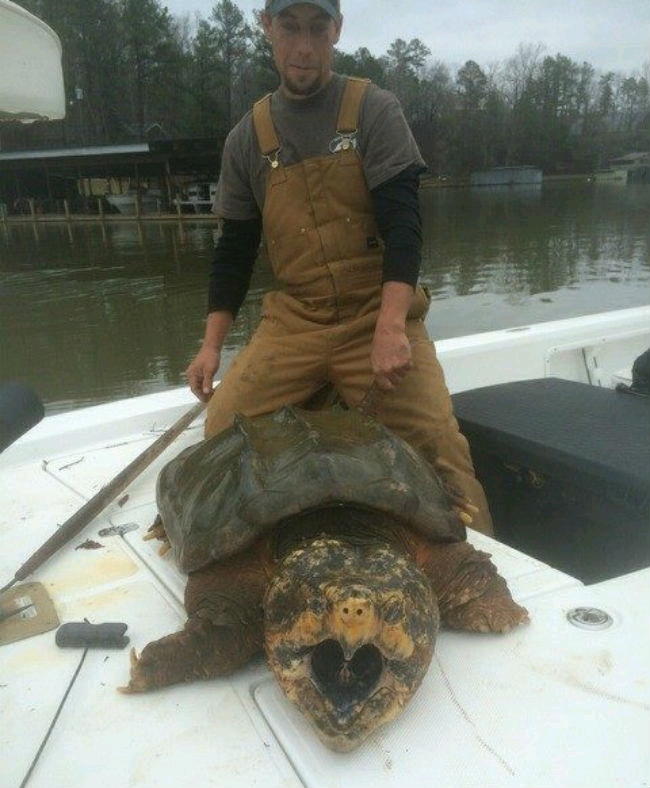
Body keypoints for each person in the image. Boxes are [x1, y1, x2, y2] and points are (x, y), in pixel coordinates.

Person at [185, 0, 494, 534]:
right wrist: (212, 346)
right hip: (296, 322)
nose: (303, 46)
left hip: (377, 313)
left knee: (441, 447)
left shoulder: (374, 109)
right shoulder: (246, 139)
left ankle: (480, 566)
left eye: (317, 29)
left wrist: (392, 326)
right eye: (289, 27)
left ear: (336, 31)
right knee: (221, 431)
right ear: (267, 29)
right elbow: (233, 252)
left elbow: (405, 227)